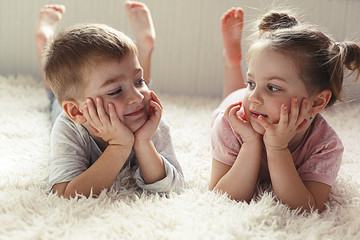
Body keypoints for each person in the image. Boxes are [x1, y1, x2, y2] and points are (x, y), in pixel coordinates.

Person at [209, 8, 360, 212]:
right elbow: (221, 195)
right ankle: (232, 61)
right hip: (232, 105)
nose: (254, 97)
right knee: (234, 97)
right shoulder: (230, 124)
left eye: (272, 87)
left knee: (246, 97)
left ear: (316, 103)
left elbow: (307, 208)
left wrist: (277, 148)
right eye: (251, 82)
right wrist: (250, 142)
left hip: (259, 116)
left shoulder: (326, 146)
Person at [35, 2, 185, 198]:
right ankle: (44, 44)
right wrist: (119, 147)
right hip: (65, 111)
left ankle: (145, 51)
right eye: (115, 91)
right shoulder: (69, 127)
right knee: (54, 98)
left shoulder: (146, 115)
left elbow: (174, 187)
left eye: (140, 80)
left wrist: (143, 142)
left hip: (118, 110)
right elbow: (63, 194)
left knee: (128, 81)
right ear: (77, 112)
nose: (138, 97)